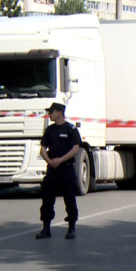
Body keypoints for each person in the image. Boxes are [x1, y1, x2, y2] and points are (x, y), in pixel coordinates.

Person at [37, 102, 82, 239]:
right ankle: (46, 228)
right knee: (47, 199)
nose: (49, 114)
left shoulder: (71, 129)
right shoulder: (50, 130)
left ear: (60, 113)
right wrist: (50, 161)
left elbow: (75, 149)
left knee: (69, 199)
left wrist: (60, 160)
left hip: (66, 169)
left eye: (51, 112)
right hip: (52, 170)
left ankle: (71, 228)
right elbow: (43, 149)